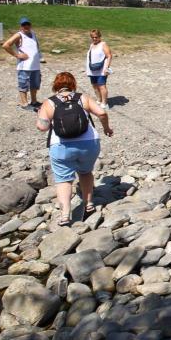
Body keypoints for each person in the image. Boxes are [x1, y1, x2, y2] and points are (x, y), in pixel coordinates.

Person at [35, 72, 113, 226]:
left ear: (55, 86)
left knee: (64, 180)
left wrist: (40, 115)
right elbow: (102, 113)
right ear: (73, 84)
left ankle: (65, 215)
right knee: (85, 172)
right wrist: (106, 128)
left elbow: (42, 127)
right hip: (89, 143)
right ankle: (89, 203)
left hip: (61, 146)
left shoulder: (49, 102)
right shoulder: (82, 98)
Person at [2, 16, 42, 111]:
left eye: (28, 24)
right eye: (24, 25)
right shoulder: (19, 35)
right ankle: (24, 103)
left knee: (35, 84)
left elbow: (36, 47)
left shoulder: (33, 34)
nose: (26, 26)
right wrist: (17, 55)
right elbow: (6, 45)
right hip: (24, 66)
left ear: (30, 25)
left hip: (35, 65)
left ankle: (34, 101)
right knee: (23, 84)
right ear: (21, 26)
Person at [86, 29, 113, 109]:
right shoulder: (91, 45)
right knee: (94, 85)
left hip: (102, 70)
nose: (94, 39)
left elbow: (109, 56)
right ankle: (99, 99)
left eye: (96, 37)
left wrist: (106, 68)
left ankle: (104, 103)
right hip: (92, 70)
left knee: (102, 86)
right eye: (92, 37)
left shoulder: (103, 44)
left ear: (99, 36)